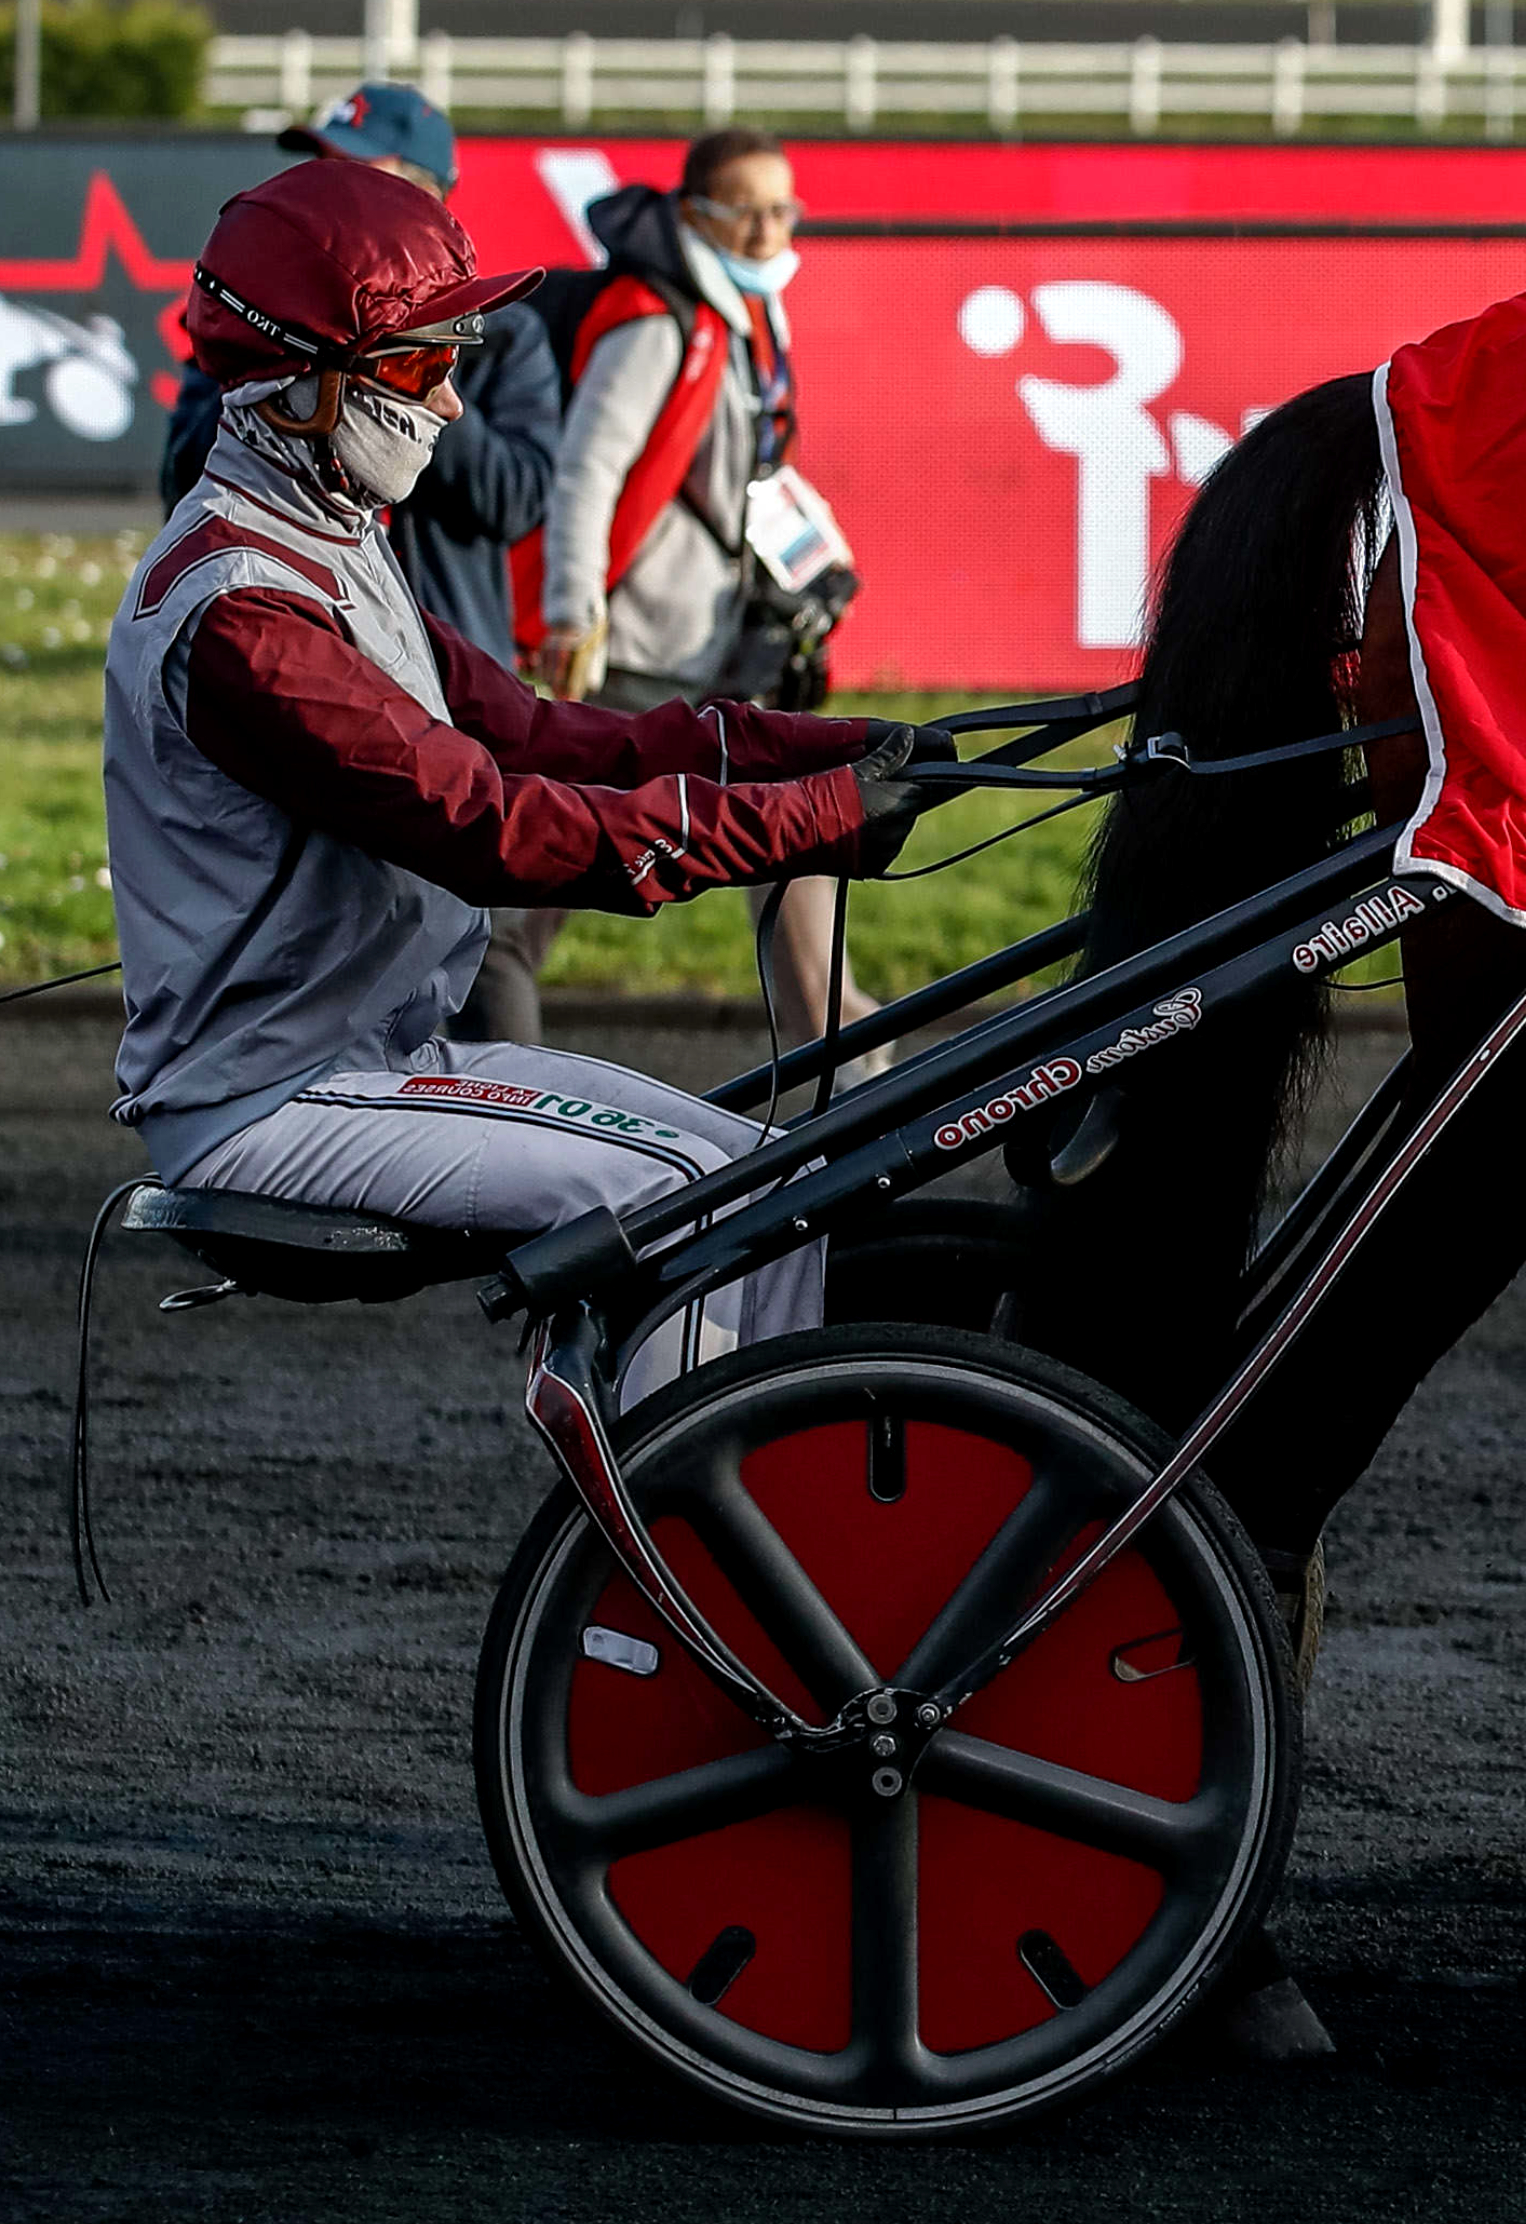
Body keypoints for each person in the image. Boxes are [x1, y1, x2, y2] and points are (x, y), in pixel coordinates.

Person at [105, 157, 945, 1398]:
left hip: (378, 1065)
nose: (451, 403)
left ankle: (767, 1521)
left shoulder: (331, 544)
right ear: (296, 387)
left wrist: (826, 749)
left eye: (460, 360)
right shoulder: (245, 623)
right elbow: (490, 827)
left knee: (778, 1178)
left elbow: (549, 735)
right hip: (269, 1109)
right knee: (687, 1204)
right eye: (420, 366)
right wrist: (802, 824)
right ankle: (664, 1552)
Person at [158, 83, 570, 1038]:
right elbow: (186, 470)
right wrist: (331, 364)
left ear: (428, 194)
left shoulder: (507, 336)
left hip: (446, 664)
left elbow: (516, 497)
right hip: (308, 667)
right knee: (322, 950)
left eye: (354, 168)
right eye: (317, 162)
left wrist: (410, 371)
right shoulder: (266, 313)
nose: (321, 185)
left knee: (476, 946)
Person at [525, 127, 869, 1056]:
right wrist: (569, 611)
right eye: (747, 210)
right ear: (693, 216)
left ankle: (837, 1043)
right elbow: (585, 471)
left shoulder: (747, 312)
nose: (769, 231)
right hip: (640, 653)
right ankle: (472, 1011)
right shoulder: (654, 319)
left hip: (710, 644)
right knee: (563, 860)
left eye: (783, 208)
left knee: (791, 834)